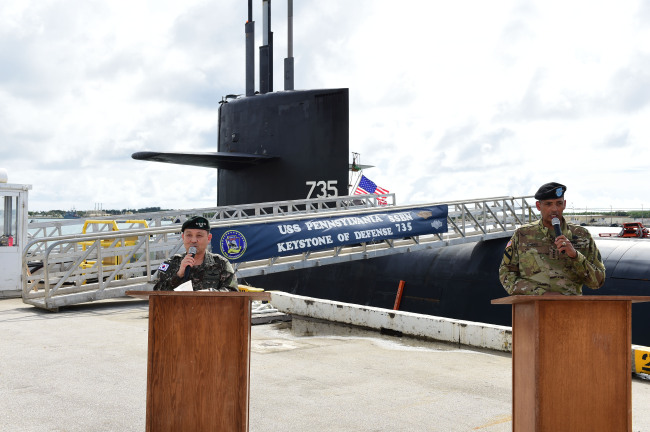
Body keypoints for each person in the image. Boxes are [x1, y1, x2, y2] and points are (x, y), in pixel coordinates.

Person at [499, 182, 606, 295]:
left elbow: (598, 282)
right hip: (533, 308)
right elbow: (506, 275)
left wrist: (575, 256)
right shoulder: (522, 235)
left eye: (559, 203)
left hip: (571, 308)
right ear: (539, 206)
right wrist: (540, 294)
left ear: (564, 204)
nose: (554, 209)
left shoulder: (582, 235)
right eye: (548, 204)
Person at [153, 216, 238, 291]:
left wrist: (210, 293)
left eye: (199, 236)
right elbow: (155, 293)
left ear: (209, 238)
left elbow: (233, 292)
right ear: (183, 237)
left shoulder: (221, 264)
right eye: (189, 235)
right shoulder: (170, 264)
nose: (193, 240)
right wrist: (178, 276)